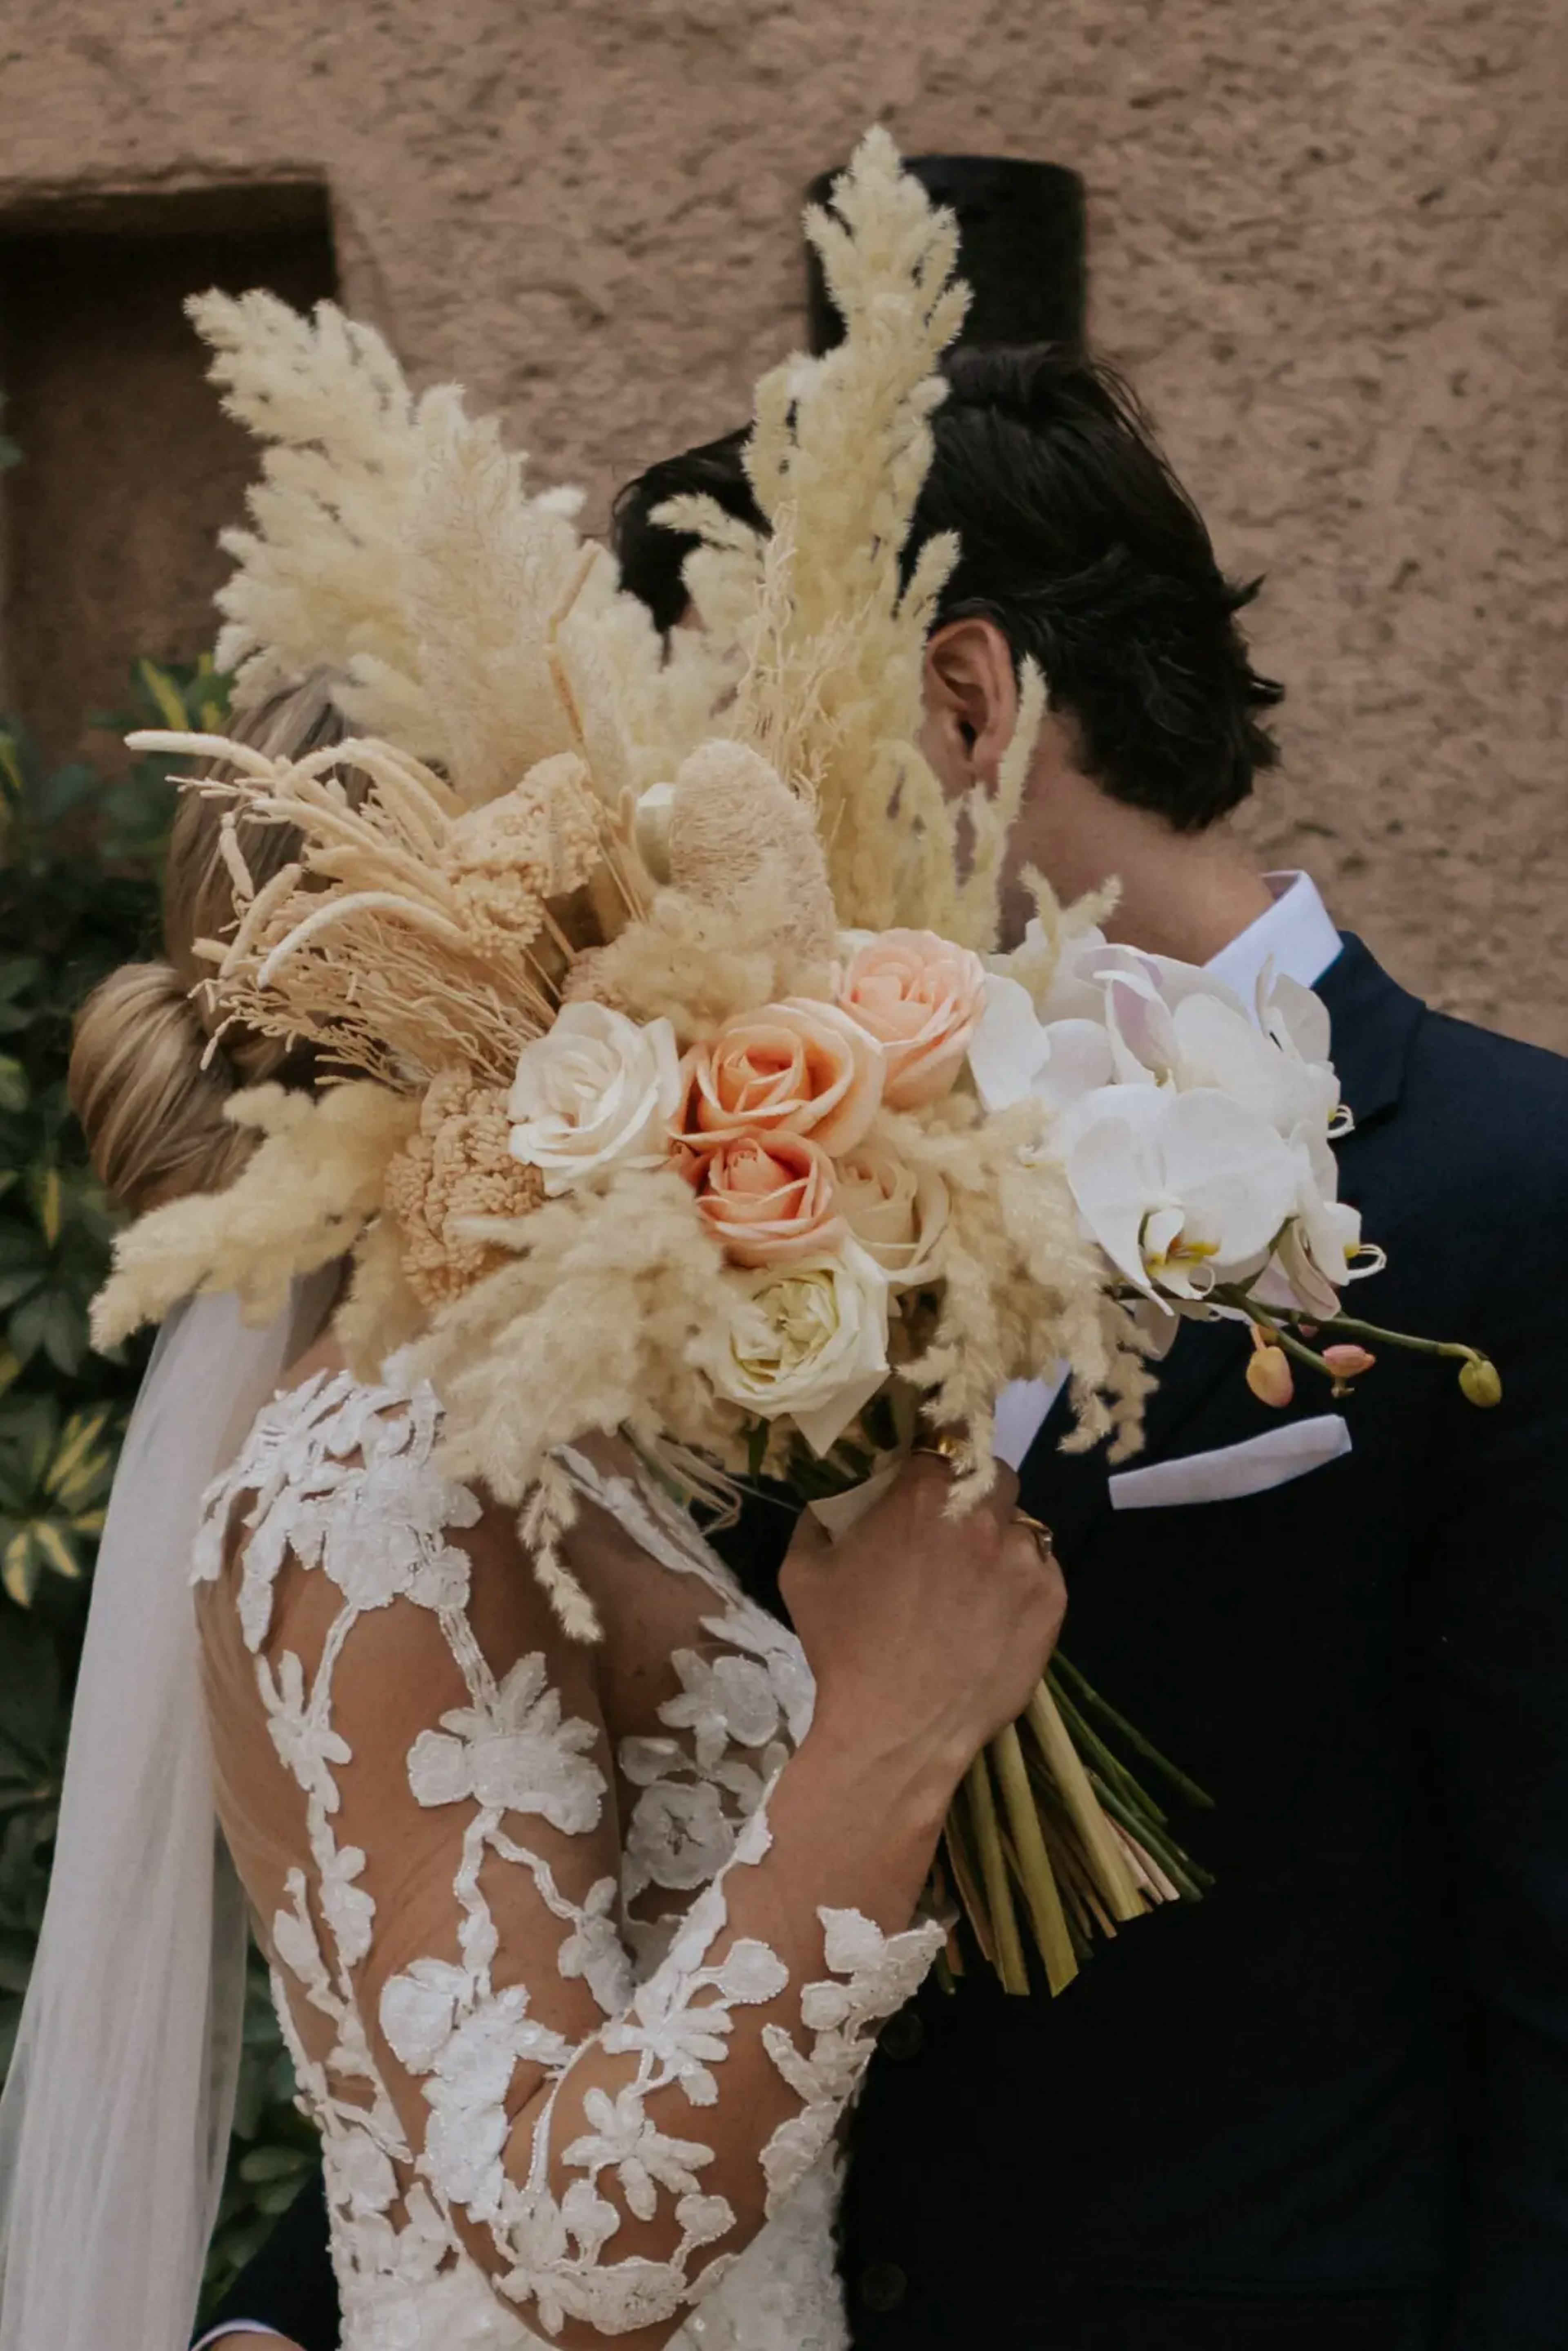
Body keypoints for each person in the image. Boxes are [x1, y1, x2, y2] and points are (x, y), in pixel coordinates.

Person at [215, 331, 1568, 2351]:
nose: (680, 843)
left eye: (724, 745)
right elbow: (561, 1894)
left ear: (960, 699)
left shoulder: (1512, 1192)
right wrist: (295, 2317)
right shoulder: (729, 1194)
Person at [0, 675, 1065, 2351]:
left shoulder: (556, 1435)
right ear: (470, 964)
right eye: (611, 885)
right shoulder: (367, 1479)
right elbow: (571, 2243)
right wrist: (887, 1738)